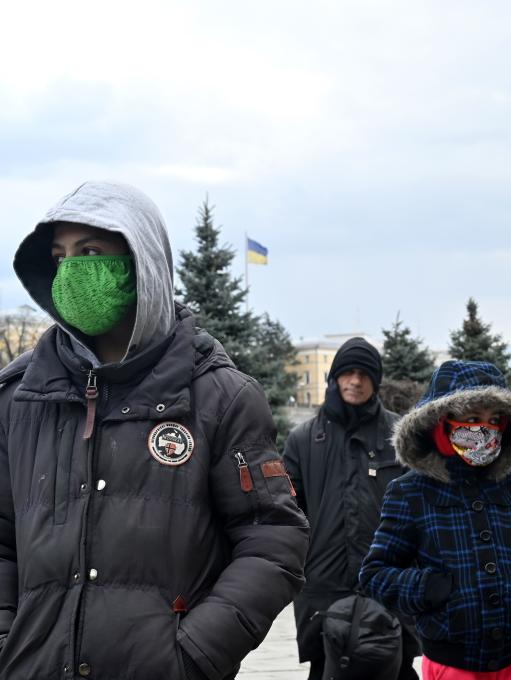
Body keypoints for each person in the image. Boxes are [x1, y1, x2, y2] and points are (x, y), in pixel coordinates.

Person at [0, 181, 308, 679]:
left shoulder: (219, 396)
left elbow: (272, 539)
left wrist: (194, 654)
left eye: (91, 252)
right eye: (60, 257)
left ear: (140, 261)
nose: (71, 271)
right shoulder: (19, 397)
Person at [359, 361, 511, 680]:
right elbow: (375, 574)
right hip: (452, 662)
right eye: (472, 418)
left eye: (495, 419)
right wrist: (428, 588)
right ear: (442, 422)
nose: (485, 429)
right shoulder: (411, 492)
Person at [283, 337, 420, 679]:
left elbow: (421, 510)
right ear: (335, 377)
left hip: (388, 584)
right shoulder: (303, 440)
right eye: (347, 373)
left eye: (364, 374)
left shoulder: (399, 436)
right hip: (325, 589)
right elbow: (285, 514)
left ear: (376, 381)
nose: (355, 381)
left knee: (396, 669)